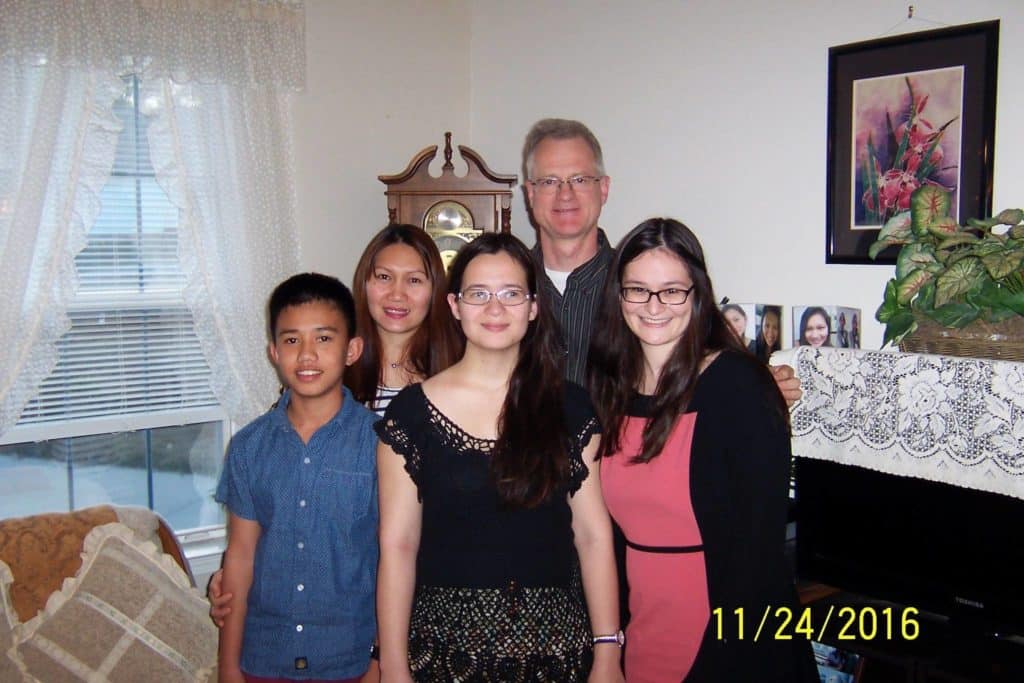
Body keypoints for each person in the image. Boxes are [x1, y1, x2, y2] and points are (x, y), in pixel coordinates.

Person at [375, 232, 624, 682]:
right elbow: (397, 546)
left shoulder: (571, 408)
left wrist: (608, 651)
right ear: (454, 306)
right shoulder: (410, 414)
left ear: (532, 308)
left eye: (511, 294)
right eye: (478, 294)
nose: (495, 309)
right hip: (443, 654)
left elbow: (592, 535)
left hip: (556, 653)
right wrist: (393, 665)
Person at [587, 218, 817, 682]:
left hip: (728, 638)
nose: (654, 306)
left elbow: (758, 552)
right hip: (643, 628)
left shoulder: (739, 385)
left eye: (672, 290)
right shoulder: (608, 388)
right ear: (618, 296)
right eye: (637, 290)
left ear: (697, 295)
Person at [521, 118, 801, 399]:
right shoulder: (501, 293)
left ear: (604, 189)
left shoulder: (653, 293)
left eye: (580, 179)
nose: (565, 194)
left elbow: (708, 370)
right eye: (549, 181)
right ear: (530, 193)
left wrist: (760, 387)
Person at [216, 273, 379, 683]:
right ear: (273, 351)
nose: (307, 355)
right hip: (264, 658)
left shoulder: (382, 444)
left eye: (324, 339)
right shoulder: (248, 447)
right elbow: (240, 557)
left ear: (352, 349)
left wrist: (381, 661)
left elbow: (393, 560)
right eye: (292, 341)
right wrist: (228, 669)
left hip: (350, 659)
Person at [346, 223, 462, 414]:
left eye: (414, 280)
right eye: (384, 277)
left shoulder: (458, 369)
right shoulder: (335, 368)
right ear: (364, 283)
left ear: (435, 289)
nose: (397, 294)